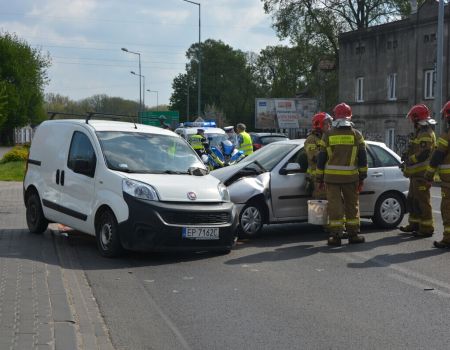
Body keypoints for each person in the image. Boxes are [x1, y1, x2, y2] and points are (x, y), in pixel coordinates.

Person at [316, 102, 368, 246]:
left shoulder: (327, 135)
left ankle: (336, 236)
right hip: (351, 178)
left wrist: (319, 178)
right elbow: (363, 158)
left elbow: (321, 159)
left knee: (335, 206)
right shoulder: (357, 135)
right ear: (349, 117)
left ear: (335, 117)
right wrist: (362, 177)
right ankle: (353, 235)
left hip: (331, 179)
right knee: (352, 205)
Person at [399, 104, 436, 237]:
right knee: (413, 200)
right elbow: (414, 148)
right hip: (415, 175)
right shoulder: (420, 132)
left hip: (422, 175)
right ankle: (414, 224)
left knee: (423, 201)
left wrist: (410, 160)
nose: (411, 122)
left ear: (416, 118)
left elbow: (424, 153)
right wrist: (405, 155)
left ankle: (427, 228)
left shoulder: (426, 133)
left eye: (412, 119)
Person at [424, 101, 450, 248]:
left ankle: (448, 238)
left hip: (448, 183)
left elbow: (436, 158)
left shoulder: (446, 137)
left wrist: (428, 176)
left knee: (447, 210)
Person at [305, 112, 332, 199]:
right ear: (320, 124)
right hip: (317, 179)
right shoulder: (311, 139)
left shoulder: (327, 137)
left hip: (328, 177)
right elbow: (315, 157)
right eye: (327, 123)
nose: (329, 125)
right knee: (320, 207)